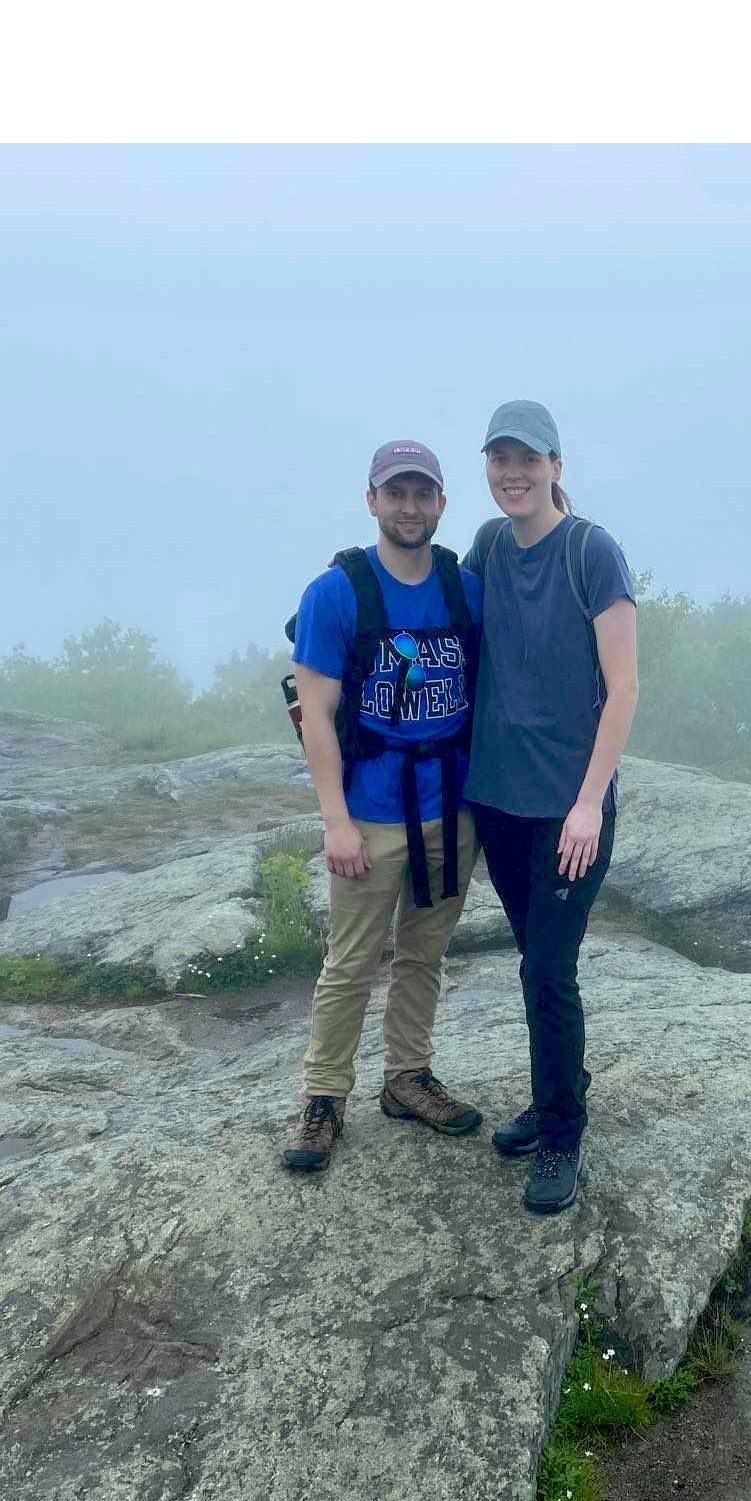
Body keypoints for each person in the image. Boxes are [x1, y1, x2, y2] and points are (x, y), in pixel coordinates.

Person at [281, 438, 485, 1173]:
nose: (409, 506)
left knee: (424, 954)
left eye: (422, 493)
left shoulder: (466, 588)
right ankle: (323, 1099)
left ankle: (407, 1078)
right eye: (395, 493)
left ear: (440, 502)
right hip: (369, 811)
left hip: (450, 809)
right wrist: (334, 819)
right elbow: (317, 713)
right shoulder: (335, 593)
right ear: (371, 499)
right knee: (352, 961)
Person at [462, 400, 640, 1215]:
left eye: (528, 459)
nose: (513, 473)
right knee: (535, 962)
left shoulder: (591, 553)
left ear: (557, 467)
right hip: (498, 800)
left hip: (568, 811)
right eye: (500, 459)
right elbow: (439, 615)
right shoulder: (490, 545)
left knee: (549, 970)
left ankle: (563, 1133)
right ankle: (551, 1092)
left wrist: (590, 803)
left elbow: (625, 687)